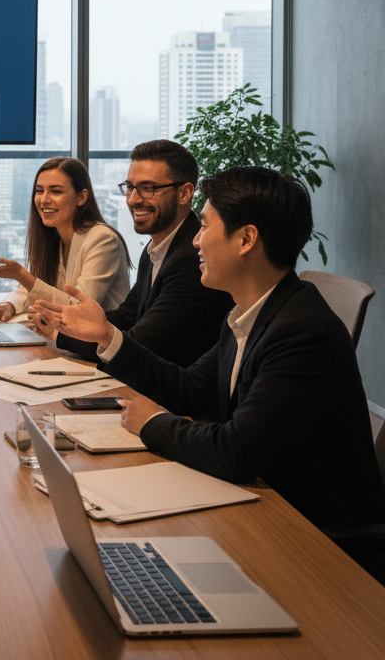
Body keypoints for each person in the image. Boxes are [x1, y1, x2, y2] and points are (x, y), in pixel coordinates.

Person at [36, 166, 385, 529]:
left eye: (204, 226)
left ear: (246, 239)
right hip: (261, 504)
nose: (196, 241)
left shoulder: (301, 332)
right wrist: (107, 337)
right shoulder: (249, 311)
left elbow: (236, 451)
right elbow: (188, 389)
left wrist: (152, 423)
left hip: (314, 535)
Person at [30, 139, 232, 366]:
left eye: (148, 188)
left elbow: (141, 344)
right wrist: (69, 323)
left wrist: (61, 335)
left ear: (184, 193)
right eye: (130, 187)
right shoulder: (154, 249)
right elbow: (127, 316)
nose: (133, 199)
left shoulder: (194, 258)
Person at [0, 157, 130, 322]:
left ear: (81, 197)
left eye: (56, 191)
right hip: (60, 335)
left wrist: (22, 276)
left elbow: (79, 309)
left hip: (99, 338)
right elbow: (28, 291)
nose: (44, 200)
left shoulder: (103, 240)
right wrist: (8, 306)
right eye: (40, 191)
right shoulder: (52, 236)